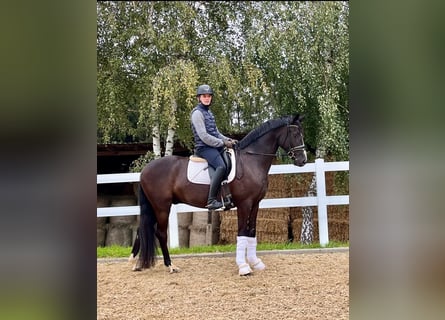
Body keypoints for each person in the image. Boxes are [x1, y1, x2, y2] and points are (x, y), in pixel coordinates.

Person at [190, 84, 237, 210]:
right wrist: (222, 143)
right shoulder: (197, 113)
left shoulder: (209, 113)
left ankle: (226, 196)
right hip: (203, 148)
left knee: (228, 162)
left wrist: (228, 140)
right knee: (221, 166)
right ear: (198, 98)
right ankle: (211, 201)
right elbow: (204, 136)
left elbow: (216, 133)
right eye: (204, 96)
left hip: (213, 146)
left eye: (209, 96)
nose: (207, 98)